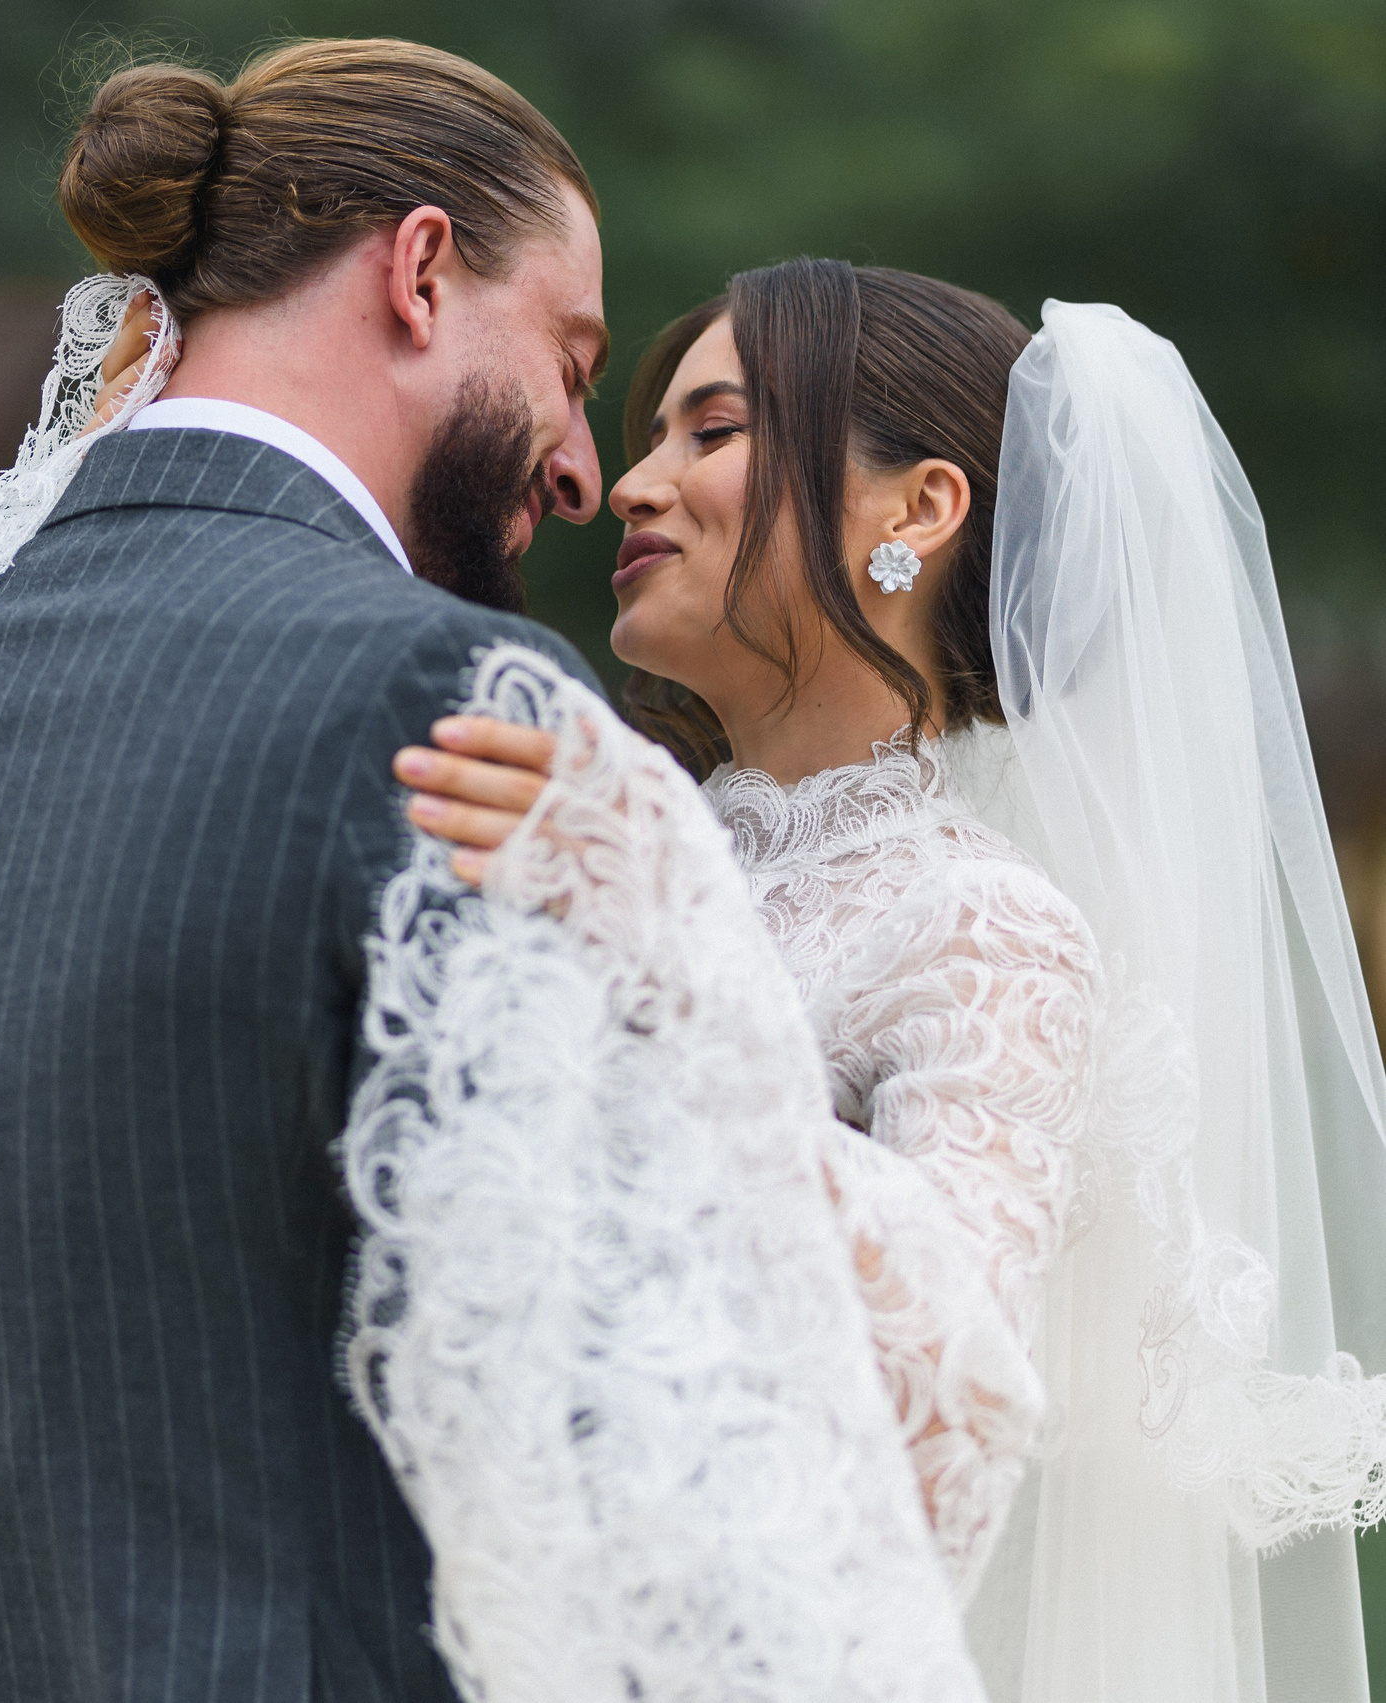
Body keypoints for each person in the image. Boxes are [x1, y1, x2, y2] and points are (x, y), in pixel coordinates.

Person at [0, 42, 989, 1703]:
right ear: (422, 269)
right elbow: (638, 1410)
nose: (585, 470)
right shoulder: (449, 710)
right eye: (573, 361)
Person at [395, 258, 1386, 1702]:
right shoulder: (612, 844)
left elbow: (949, 1366)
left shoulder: (983, 927)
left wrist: (657, 951)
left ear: (916, 510)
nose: (631, 484)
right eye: (652, 432)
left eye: (712, 433)